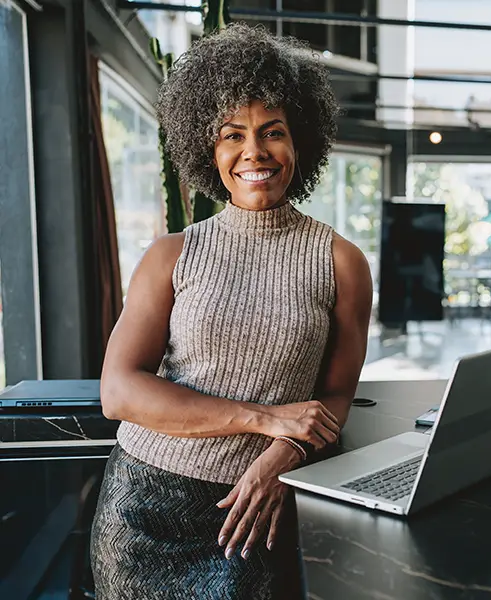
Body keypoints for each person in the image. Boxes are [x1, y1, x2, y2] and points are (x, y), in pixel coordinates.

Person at [90, 24, 373, 599]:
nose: (254, 153)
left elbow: (337, 394)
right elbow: (118, 392)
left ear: (301, 142)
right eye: (232, 136)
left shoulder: (341, 262)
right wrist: (266, 420)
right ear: (207, 148)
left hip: (258, 505)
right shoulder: (171, 255)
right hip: (143, 509)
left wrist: (286, 454)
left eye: (272, 132)